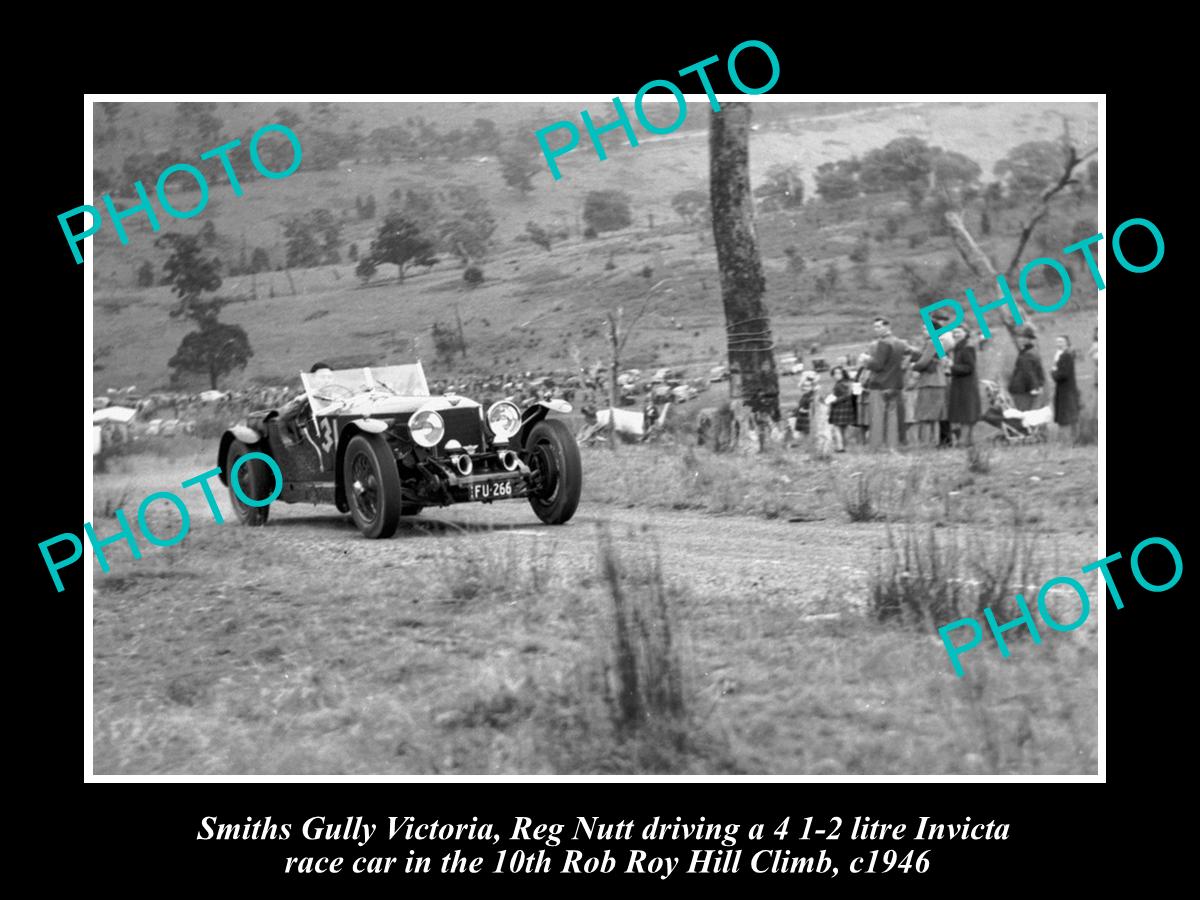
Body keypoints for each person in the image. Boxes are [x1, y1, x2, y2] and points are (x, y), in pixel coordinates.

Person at [862, 316, 911, 450]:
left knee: (877, 416)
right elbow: (912, 355)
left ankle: (876, 446)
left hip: (879, 384)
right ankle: (892, 445)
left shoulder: (882, 343)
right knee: (892, 417)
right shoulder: (901, 343)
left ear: (887, 327)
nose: (876, 330)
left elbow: (878, 365)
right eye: (875, 327)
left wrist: (866, 360)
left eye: (879, 327)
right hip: (895, 384)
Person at [910, 315, 949, 447]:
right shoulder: (937, 342)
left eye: (926, 329)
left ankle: (927, 443)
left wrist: (913, 366)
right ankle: (934, 441)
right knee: (935, 416)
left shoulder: (932, 342)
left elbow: (923, 362)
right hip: (938, 381)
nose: (924, 331)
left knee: (927, 415)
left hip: (930, 381)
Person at [946, 326, 981, 447]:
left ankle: (963, 441)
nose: (955, 334)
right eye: (954, 332)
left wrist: (952, 366)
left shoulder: (967, 348)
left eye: (958, 332)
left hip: (966, 386)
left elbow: (969, 368)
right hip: (962, 385)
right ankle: (968, 441)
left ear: (966, 333)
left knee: (966, 415)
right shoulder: (959, 348)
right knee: (964, 414)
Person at [1008, 331, 1046, 411]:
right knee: (1026, 411)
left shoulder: (1028, 353)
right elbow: (1034, 371)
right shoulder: (1028, 352)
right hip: (1024, 387)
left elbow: (1029, 372)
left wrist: (1035, 387)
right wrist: (1038, 385)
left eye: (1024, 338)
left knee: (1024, 411)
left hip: (1023, 388)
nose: (1021, 340)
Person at [1052, 334, 1080, 439]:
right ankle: (1069, 437)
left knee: (1066, 413)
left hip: (1066, 388)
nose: (1058, 344)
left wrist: (1053, 373)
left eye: (1061, 342)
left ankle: (1068, 438)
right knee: (1069, 413)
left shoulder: (1065, 355)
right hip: (1066, 388)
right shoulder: (1063, 354)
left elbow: (1063, 374)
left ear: (1066, 343)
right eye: (1057, 342)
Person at [827, 365, 855, 452]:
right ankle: (844, 446)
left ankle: (840, 447)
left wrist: (834, 401)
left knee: (837, 427)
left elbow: (846, 395)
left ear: (843, 374)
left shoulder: (840, 384)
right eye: (835, 373)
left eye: (839, 373)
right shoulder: (846, 382)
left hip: (840, 407)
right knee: (844, 428)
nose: (836, 375)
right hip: (846, 407)